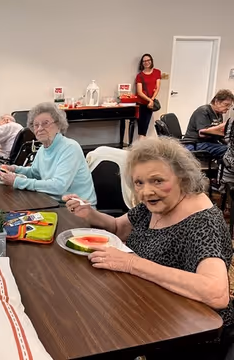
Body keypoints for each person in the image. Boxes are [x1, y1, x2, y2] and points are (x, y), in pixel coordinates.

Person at [64, 137, 233, 358]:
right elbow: (118, 228)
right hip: (150, 308)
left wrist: (133, 264)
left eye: (158, 180)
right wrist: (89, 214)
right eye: (139, 183)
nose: (145, 191)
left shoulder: (202, 220)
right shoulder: (154, 205)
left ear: (182, 178)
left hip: (192, 333)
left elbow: (215, 293)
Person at [0, 102, 97, 205]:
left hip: (78, 209)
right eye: (36, 125)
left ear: (58, 125)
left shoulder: (70, 148)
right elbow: (35, 173)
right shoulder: (42, 149)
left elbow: (58, 186)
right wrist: (15, 169)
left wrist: (17, 181)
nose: (40, 128)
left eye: (45, 123)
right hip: (53, 202)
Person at [184, 89, 234, 159]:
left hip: (209, 143)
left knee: (230, 149)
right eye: (226, 105)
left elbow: (219, 132)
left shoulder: (219, 114)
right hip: (196, 143)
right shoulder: (203, 111)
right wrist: (223, 125)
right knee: (227, 151)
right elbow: (202, 133)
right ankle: (221, 169)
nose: (228, 108)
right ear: (217, 102)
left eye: (230, 106)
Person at [135, 53, 161, 139]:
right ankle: (139, 149)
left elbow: (157, 87)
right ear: (142, 63)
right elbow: (139, 92)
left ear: (151, 61)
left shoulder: (157, 72)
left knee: (145, 127)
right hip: (141, 103)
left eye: (148, 60)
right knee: (142, 128)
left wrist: (152, 99)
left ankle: (141, 147)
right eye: (144, 61)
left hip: (150, 104)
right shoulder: (140, 76)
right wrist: (150, 100)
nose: (146, 62)